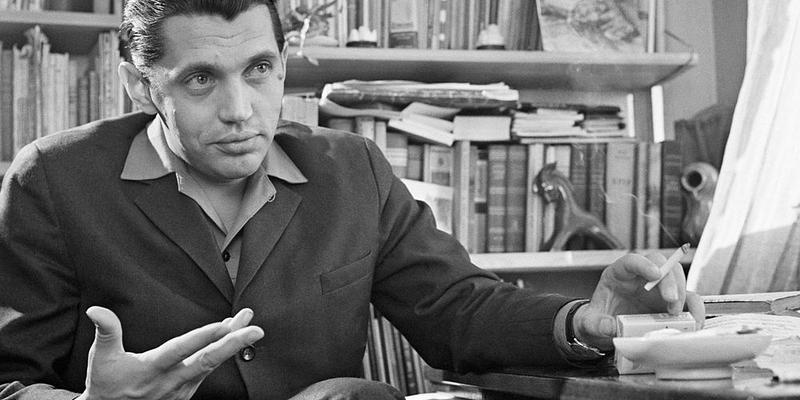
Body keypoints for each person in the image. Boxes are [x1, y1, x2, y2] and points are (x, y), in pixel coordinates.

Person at [0, 1, 704, 399]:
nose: (241, 110)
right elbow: (9, 379)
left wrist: (586, 321)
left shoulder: (351, 169)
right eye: (200, 80)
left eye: (259, 69)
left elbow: (456, 308)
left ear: (283, 64)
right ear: (139, 84)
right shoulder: (52, 181)